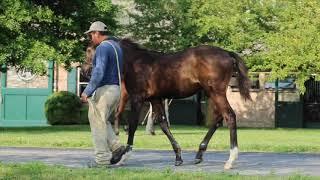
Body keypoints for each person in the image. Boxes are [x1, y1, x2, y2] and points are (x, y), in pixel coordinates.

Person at [81, 21, 128, 168]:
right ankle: (116, 147)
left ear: (97, 33)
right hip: (116, 89)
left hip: (105, 90)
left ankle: (101, 160)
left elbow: (99, 71)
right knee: (102, 120)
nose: (90, 38)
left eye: (91, 35)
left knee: (97, 123)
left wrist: (87, 91)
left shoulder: (102, 48)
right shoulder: (117, 47)